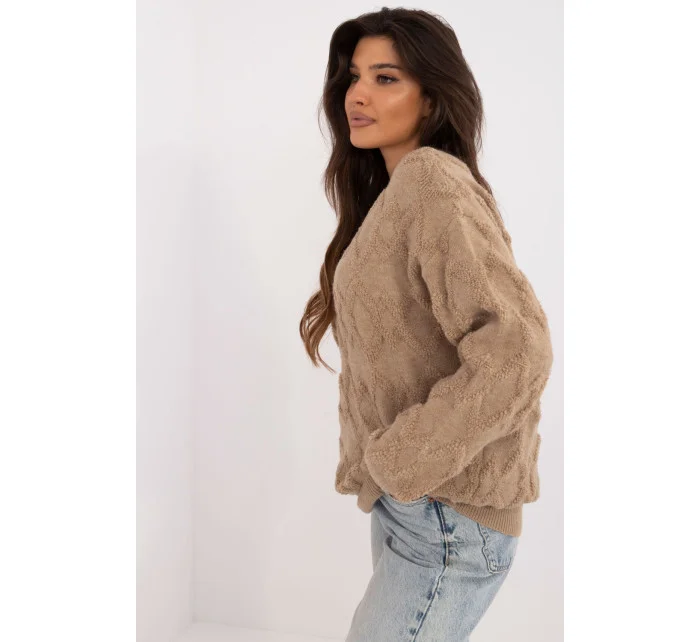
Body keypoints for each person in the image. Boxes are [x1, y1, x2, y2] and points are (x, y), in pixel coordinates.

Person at [299, 7, 554, 641]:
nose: (358, 94)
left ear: (433, 98)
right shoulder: (397, 194)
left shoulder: (432, 181)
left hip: (447, 513)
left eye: (385, 78)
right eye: (353, 77)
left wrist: (402, 462)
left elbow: (517, 348)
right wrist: (393, 477)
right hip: (417, 505)